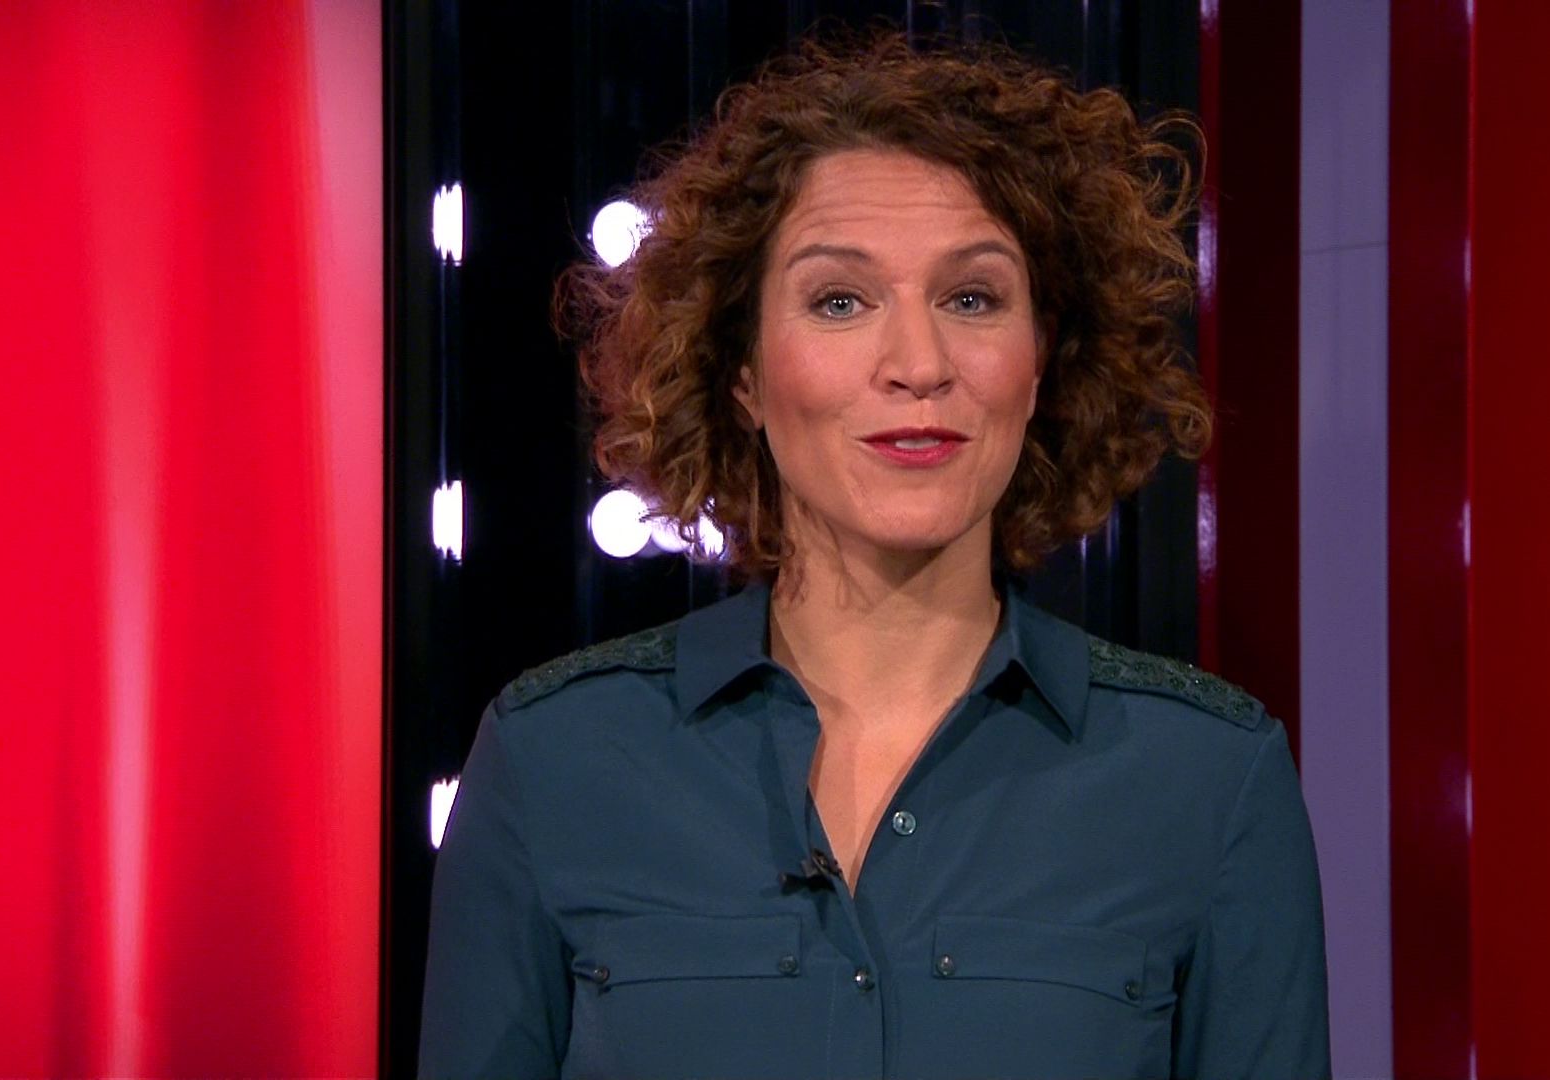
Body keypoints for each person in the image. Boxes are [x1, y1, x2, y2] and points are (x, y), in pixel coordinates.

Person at [420, 32, 1329, 1080]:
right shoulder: (552, 761)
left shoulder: (1210, 781)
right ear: (743, 374)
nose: (918, 364)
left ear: (1041, 363)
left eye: (972, 298)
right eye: (840, 302)